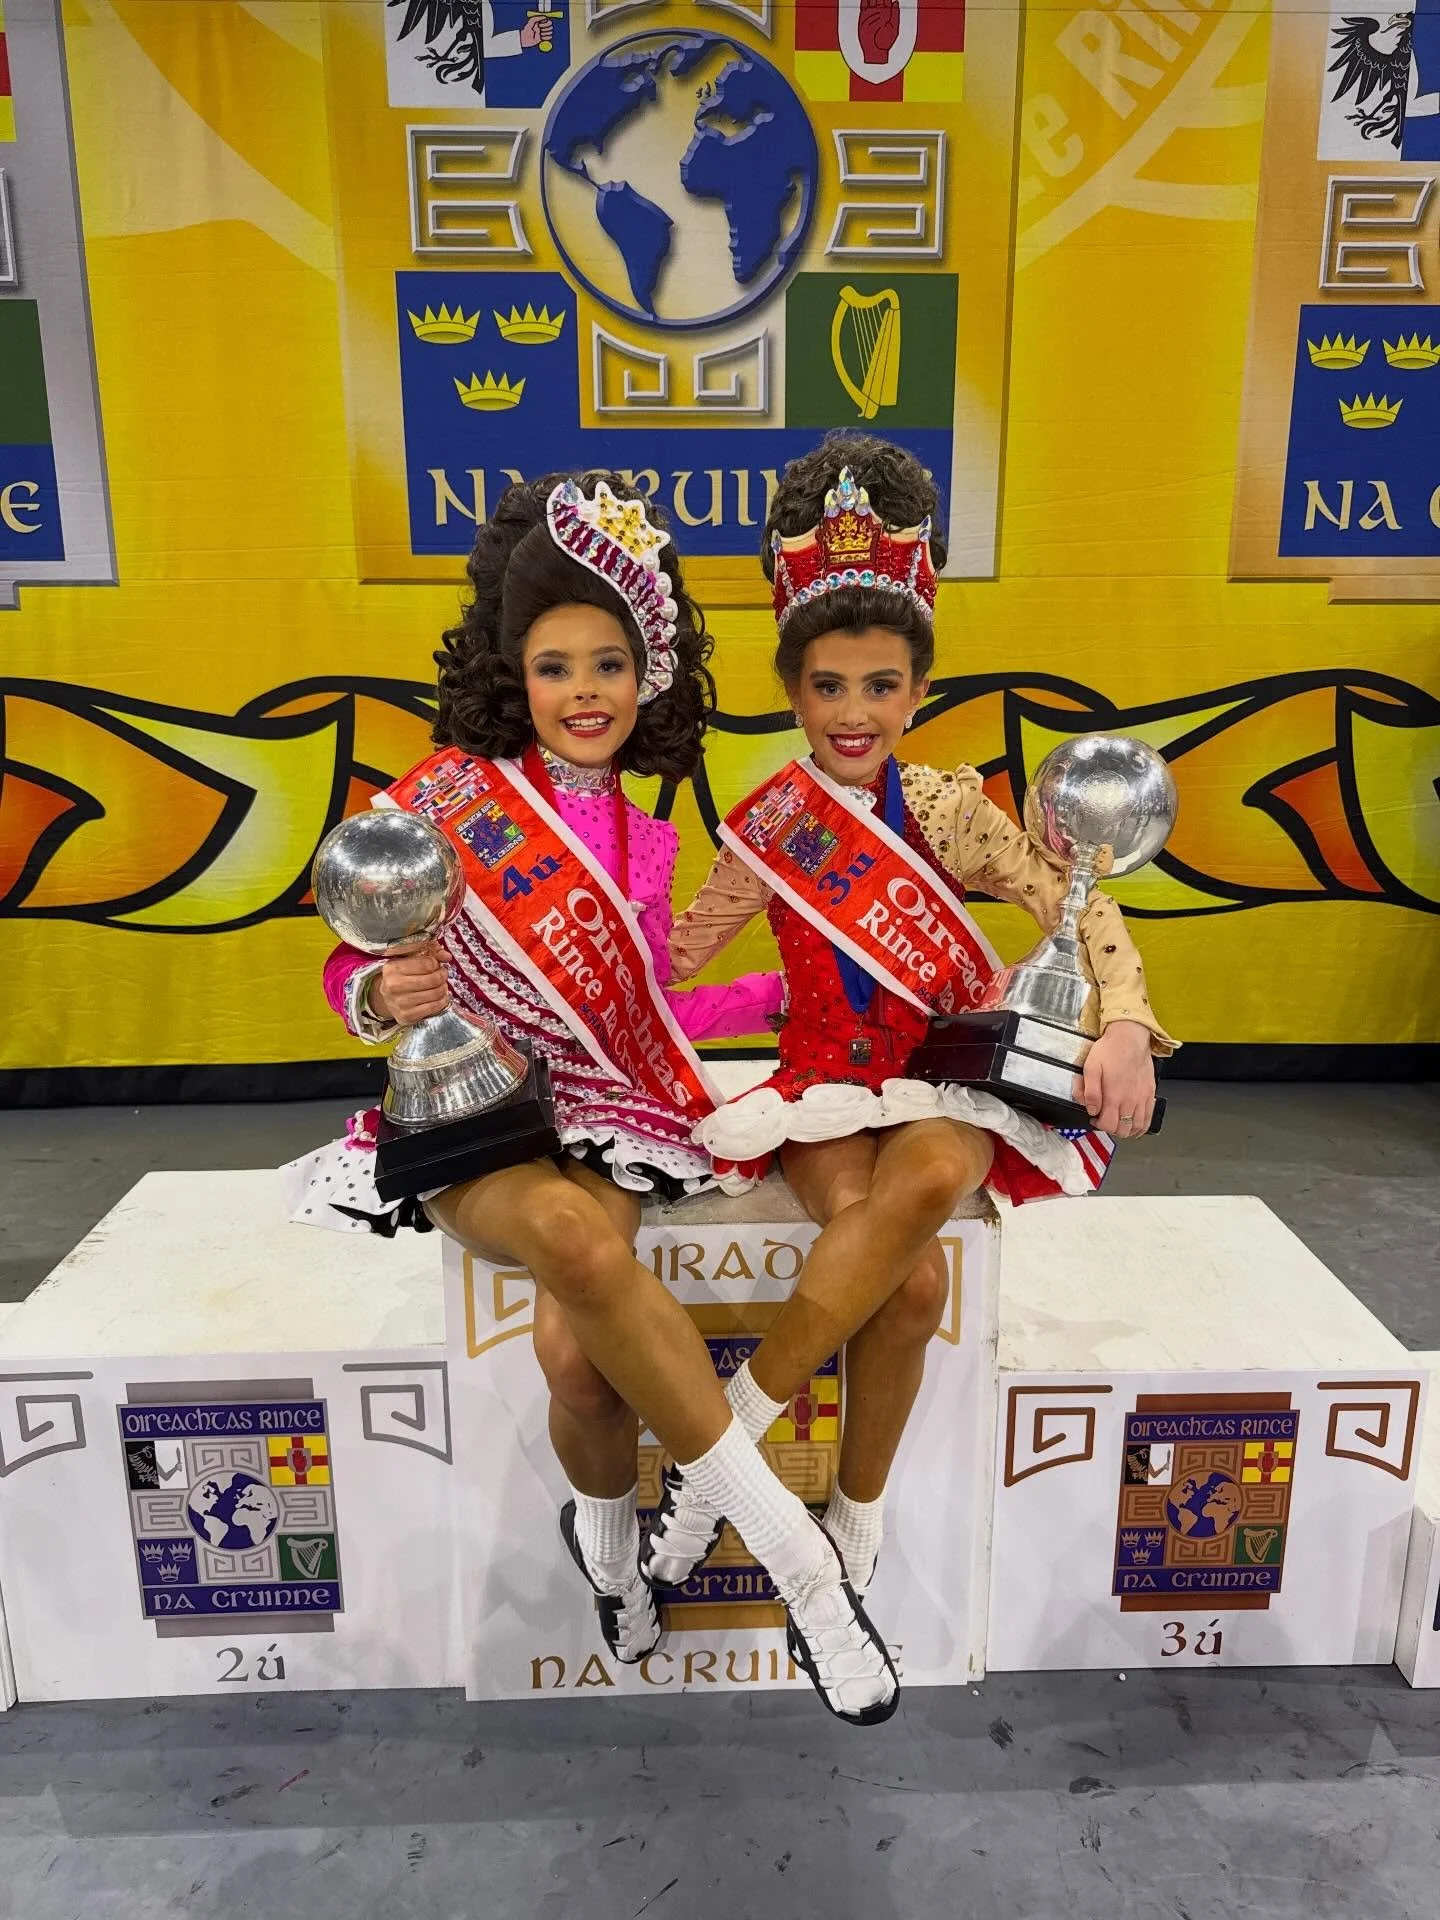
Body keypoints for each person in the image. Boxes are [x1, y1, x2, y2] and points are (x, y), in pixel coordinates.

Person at [282, 472, 900, 1724]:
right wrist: (380, 993)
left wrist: (789, 1006)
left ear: (646, 676)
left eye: (609, 663)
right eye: (557, 665)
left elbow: (648, 1007)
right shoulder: (448, 799)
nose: (584, 693)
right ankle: (802, 1568)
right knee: (566, 1239)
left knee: (579, 1356)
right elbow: (350, 957)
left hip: (608, 1117)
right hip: (475, 1114)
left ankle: (610, 1553)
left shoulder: (647, 835)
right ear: (519, 674)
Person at [645, 433, 1177, 1600]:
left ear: (918, 691)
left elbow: (1072, 902)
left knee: (934, 1179)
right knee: (918, 1284)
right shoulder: (771, 824)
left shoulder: (948, 810)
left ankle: (723, 1447)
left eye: (882, 686)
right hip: (825, 1094)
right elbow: (675, 958)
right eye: (828, 686)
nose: (854, 712)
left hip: (940, 1080)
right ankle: (852, 1507)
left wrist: (1127, 1022)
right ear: (793, 693)